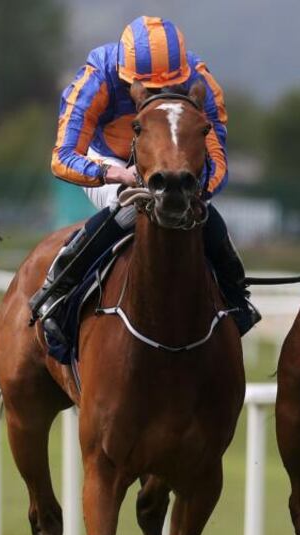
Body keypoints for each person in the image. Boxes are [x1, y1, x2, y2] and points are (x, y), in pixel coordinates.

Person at [29, 15, 260, 344]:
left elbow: (218, 163)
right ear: (126, 75)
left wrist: (196, 190)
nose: (158, 95)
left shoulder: (201, 82)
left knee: (201, 215)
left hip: (170, 160)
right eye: (148, 89)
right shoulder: (97, 77)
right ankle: (59, 289)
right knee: (125, 208)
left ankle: (236, 296)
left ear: (183, 75)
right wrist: (117, 174)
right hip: (107, 159)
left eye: (168, 88)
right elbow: (62, 157)